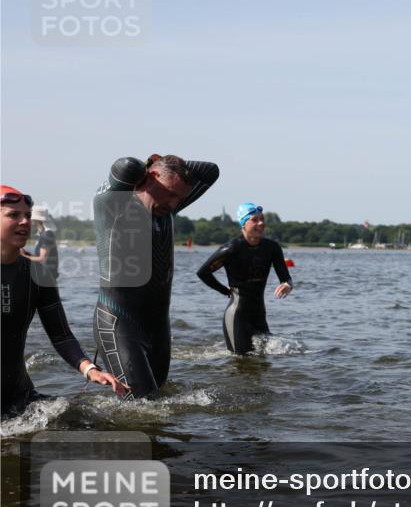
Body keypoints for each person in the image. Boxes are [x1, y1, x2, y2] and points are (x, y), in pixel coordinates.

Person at [93, 154, 219, 399]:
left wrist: (163, 165)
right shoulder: (114, 205)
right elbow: (124, 166)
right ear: (149, 178)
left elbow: (211, 170)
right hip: (118, 322)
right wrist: (146, 167)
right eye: (170, 193)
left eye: (179, 198)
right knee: (144, 405)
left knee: (158, 403)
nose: (174, 203)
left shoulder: (168, 209)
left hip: (157, 326)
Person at [2, 186, 127, 417]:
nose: (24, 222)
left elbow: (61, 335)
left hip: (21, 397)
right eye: (13, 215)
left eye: (27, 216)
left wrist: (90, 369)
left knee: (88, 424)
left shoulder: (39, 274)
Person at [197, 202, 293, 354]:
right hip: (237, 316)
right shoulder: (232, 248)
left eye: (262, 219)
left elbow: (286, 277)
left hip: (259, 315)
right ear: (243, 223)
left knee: (263, 362)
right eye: (254, 220)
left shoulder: (272, 248)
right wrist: (225, 291)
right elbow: (203, 273)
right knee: (240, 363)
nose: (261, 223)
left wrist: (287, 284)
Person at [20, 205, 60, 279]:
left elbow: (42, 259)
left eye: (30, 217)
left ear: (37, 220)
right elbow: (40, 257)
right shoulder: (43, 234)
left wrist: (24, 257)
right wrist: (27, 253)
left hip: (47, 278)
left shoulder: (47, 235)